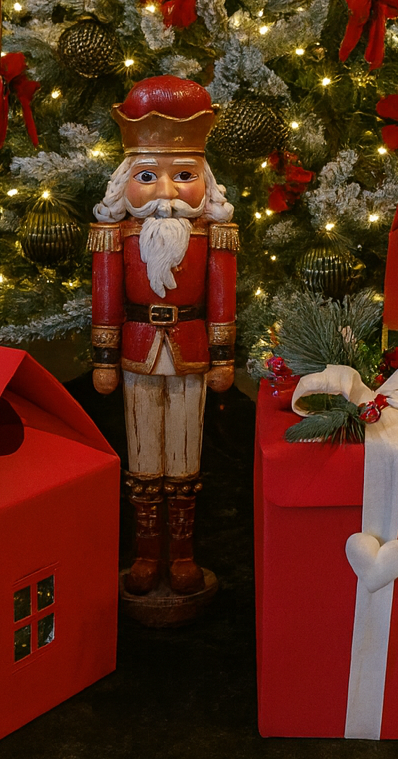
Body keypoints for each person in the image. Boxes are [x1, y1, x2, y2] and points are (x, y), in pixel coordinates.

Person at [89, 76, 237, 599]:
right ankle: (146, 554)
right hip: (135, 351)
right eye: (148, 176)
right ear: (124, 179)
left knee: (186, 455)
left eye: (185, 176)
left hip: (193, 349)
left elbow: (222, 299)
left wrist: (223, 356)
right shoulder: (114, 237)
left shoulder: (214, 235)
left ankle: (184, 554)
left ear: (206, 180)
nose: (167, 193)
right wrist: (104, 356)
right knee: (142, 455)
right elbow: (106, 300)